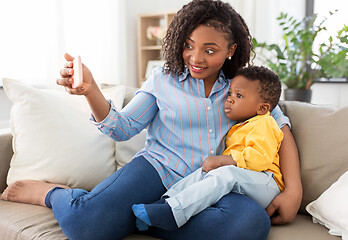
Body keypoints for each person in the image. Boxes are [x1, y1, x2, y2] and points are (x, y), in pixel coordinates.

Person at [0, 1, 302, 239]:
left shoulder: (244, 86)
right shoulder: (163, 80)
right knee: (85, 225)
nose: (195, 58)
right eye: (188, 45)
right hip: (157, 170)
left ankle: (141, 218)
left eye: (209, 50)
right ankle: (53, 194)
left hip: (210, 186)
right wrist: (91, 90)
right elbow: (122, 128)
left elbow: (281, 130)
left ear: (230, 51)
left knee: (250, 225)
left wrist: (293, 192)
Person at [132, 65, 285, 231]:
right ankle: (164, 204)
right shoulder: (240, 126)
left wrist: (224, 160)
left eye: (239, 95)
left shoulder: (265, 123)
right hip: (247, 179)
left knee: (225, 173)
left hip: (266, 183)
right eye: (230, 94)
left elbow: (261, 158)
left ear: (262, 108)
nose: (230, 99)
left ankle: (172, 214)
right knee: (202, 173)